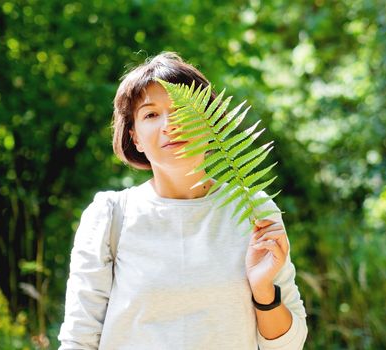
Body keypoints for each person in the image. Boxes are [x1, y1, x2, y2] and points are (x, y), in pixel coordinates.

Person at [58, 52, 308, 349]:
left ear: (208, 120)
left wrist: (263, 289)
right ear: (134, 137)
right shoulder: (111, 216)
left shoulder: (254, 209)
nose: (169, 124)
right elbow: (79, 340)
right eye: (151, 114)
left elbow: (289, 344)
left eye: (181, 109)